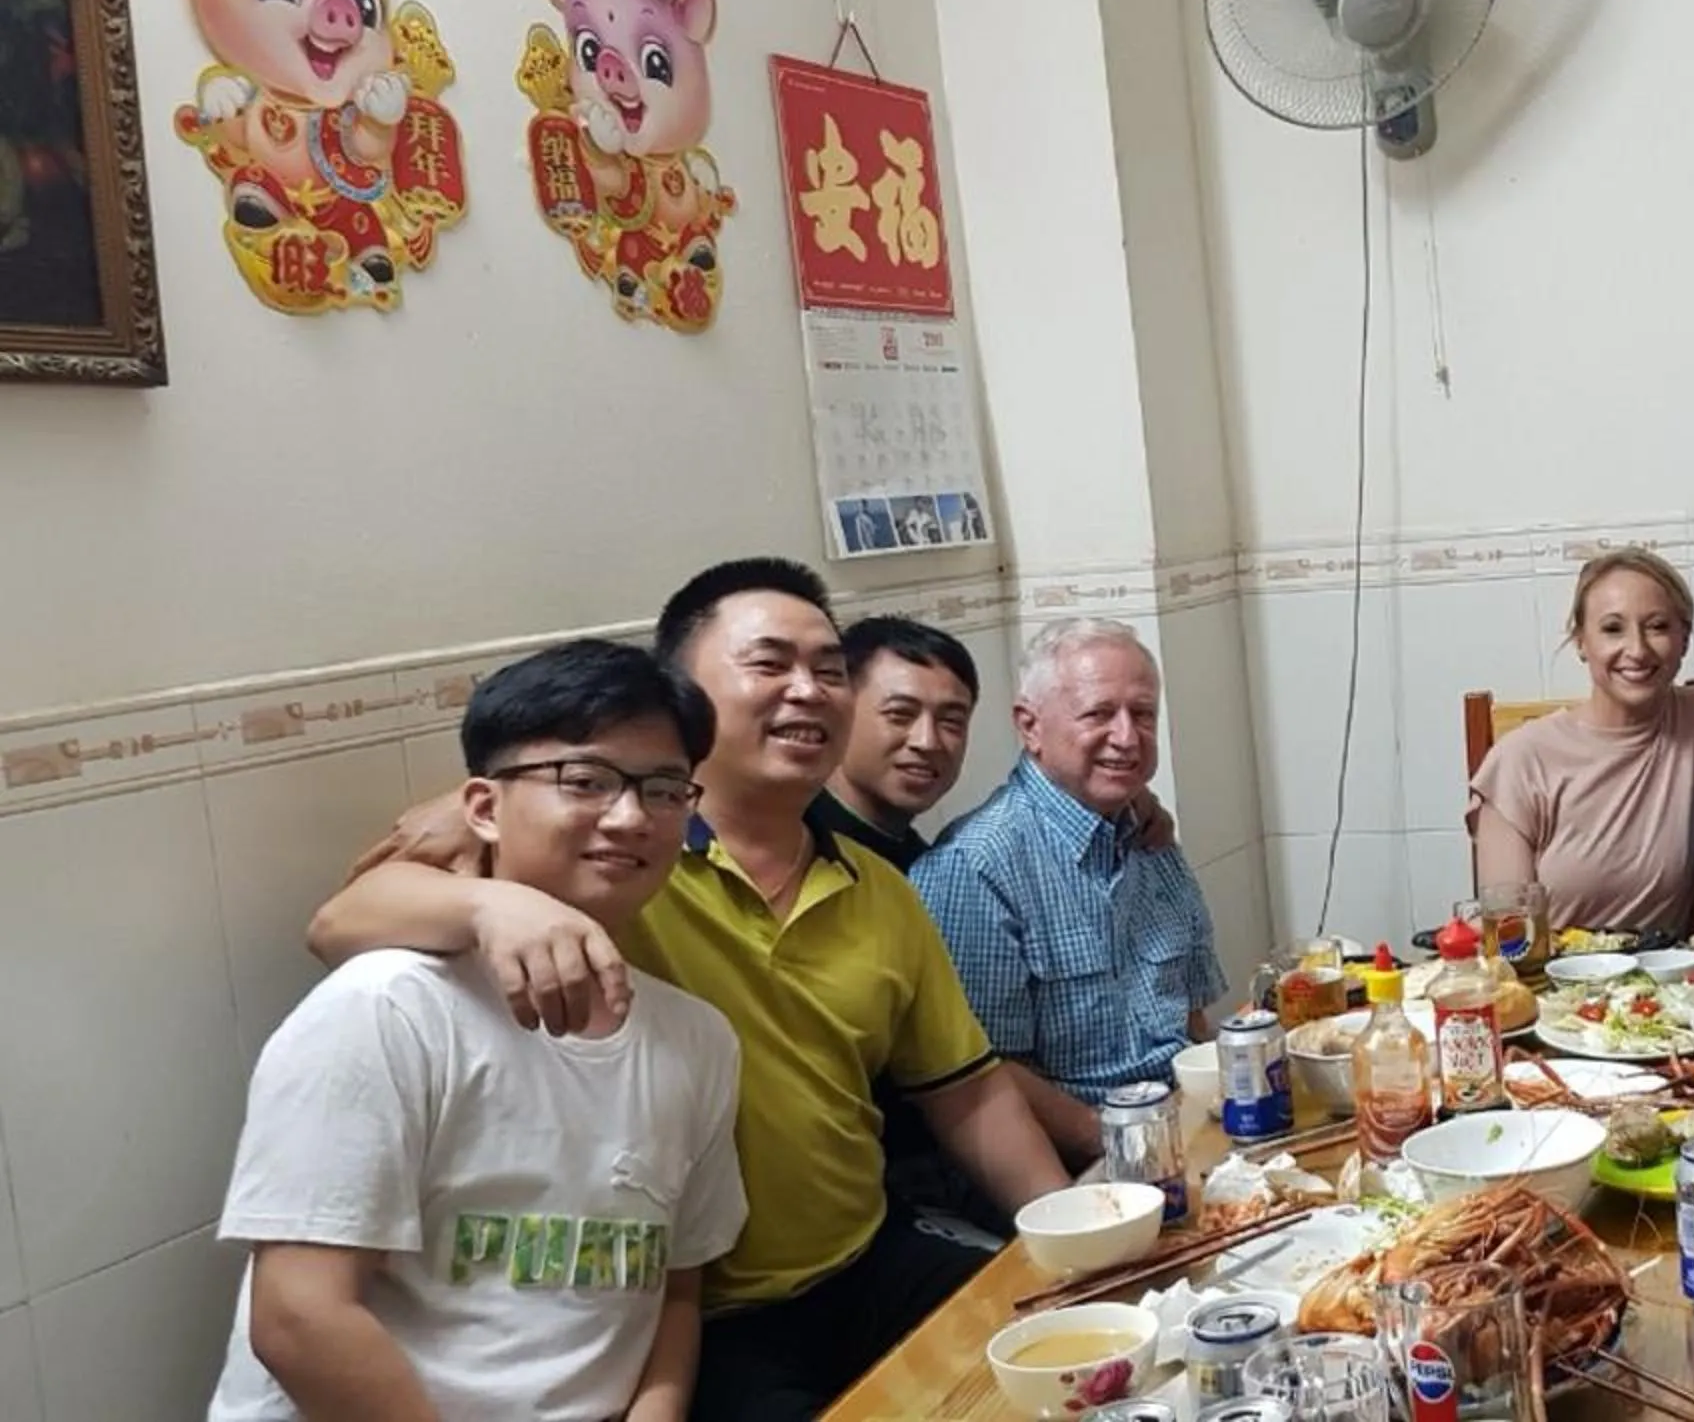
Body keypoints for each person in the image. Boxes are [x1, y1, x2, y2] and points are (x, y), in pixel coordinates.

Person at [310, 558, 1075, 1422]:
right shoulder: (620, 858)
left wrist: (1072, 1235)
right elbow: (341, 922)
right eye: (769, 663)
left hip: (864, 1254)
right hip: (703, 1316)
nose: (808, 690)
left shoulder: (878, 889)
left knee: (1075, 1349)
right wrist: (493, 901)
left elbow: (968, 1093)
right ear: (682, 695)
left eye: (829, 671)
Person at [210, 640, 746, 1421]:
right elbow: (298, 1320)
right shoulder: (387, 1008)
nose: (630, 817)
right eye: (586, 781)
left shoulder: (696, 1039)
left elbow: (676, 1289)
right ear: (485, 810)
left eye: (664, 790)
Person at [913, 619, 1225, 1152]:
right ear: (1030, 727)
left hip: (1187, 1127)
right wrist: (1123, 1148)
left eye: (1143, 714)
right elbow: (983, 1073)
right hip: (1080, 1158)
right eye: (1098, 714)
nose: (1127, 738)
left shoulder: (1147, 834)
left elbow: (1192, 1017)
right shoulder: (976, 865)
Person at [1469, 549, 1694, 934]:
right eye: (1612, 629)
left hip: (1671, 966)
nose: (1637, 650)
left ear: (1684, 640)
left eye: (1658, 626)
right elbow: (1509, 934)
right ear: (1581, 641)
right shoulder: (1520, 761)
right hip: (1552, 968)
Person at [817, 615, 983, 872]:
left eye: (951, 721)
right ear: (839, 713)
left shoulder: (932, 869)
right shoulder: (793, 847)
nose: (927, 742)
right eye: (900, 714)